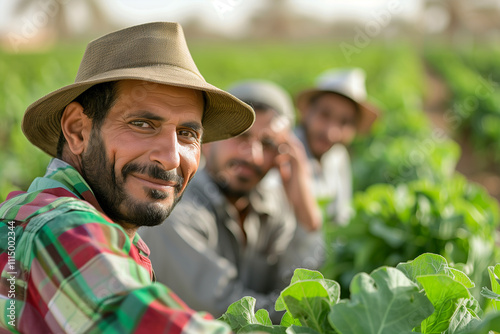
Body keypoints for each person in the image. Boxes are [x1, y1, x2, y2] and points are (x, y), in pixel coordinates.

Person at [0, 22, 256, 333]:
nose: (172, 157)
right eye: (143, 124)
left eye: (187, 134)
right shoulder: (57, 227)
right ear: (77, 130)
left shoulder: (85, 226)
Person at [140, 80, 322, 323]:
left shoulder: (274, 207)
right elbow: (228, 316)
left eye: (268, 144)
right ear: (208, 141)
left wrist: (306, 212)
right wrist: (300, 311)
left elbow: (297, 287)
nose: (253, 156)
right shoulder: (173, 213)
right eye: (240, 136)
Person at [295, 68, 379, 225]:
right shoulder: (286, 153)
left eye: (344, 122)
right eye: (324, 115)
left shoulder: (338, 155)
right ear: (307, 111)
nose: (331, 133)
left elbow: (342, 216)